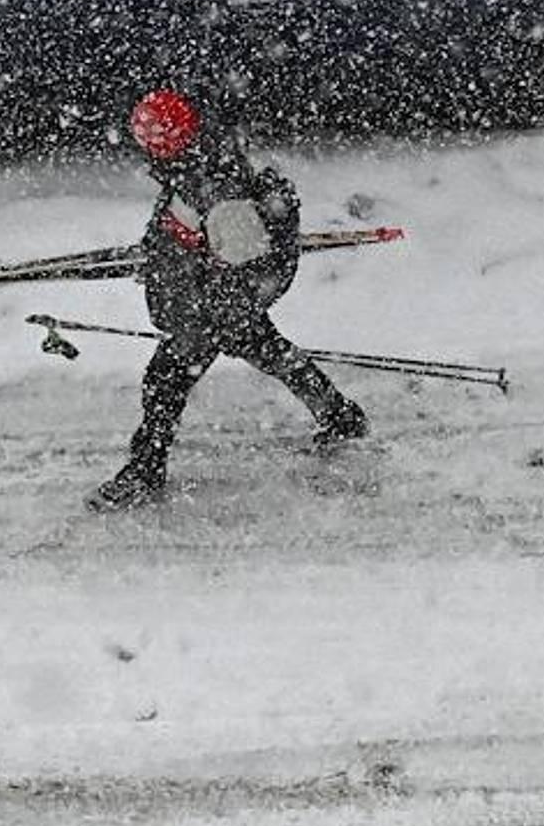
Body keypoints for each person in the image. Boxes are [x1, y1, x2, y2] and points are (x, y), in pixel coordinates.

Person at [87, 88, 369, 512]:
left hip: (215, 306)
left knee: (165, 382)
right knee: (273, 354)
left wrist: (207, 301)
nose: (145, 149)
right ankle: (341, 417)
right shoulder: (195, 166)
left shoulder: (213, 181)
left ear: (165, 139)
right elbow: (193, 232)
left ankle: (145, 472)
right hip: (218, 302)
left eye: (149, 140)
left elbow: (240, 254)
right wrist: (166, 259)